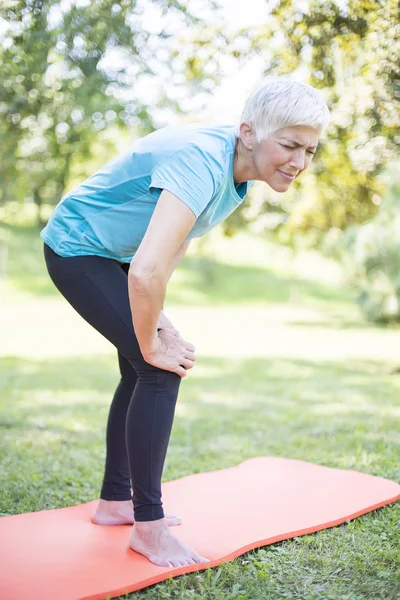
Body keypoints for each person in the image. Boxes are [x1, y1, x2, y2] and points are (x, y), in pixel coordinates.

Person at [40, 74, 330, 568]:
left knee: (141, 365)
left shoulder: (236, 175)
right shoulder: (202, 160)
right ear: (249, 133)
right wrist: (153, 341)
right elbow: (147, 269)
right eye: (290, 146)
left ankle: (116, 503)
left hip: (117, 257)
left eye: (310, 150)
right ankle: (148, 528)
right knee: (158, 369)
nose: (300, 163)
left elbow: (171, 247)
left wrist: (158, 322)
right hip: (77, 247)